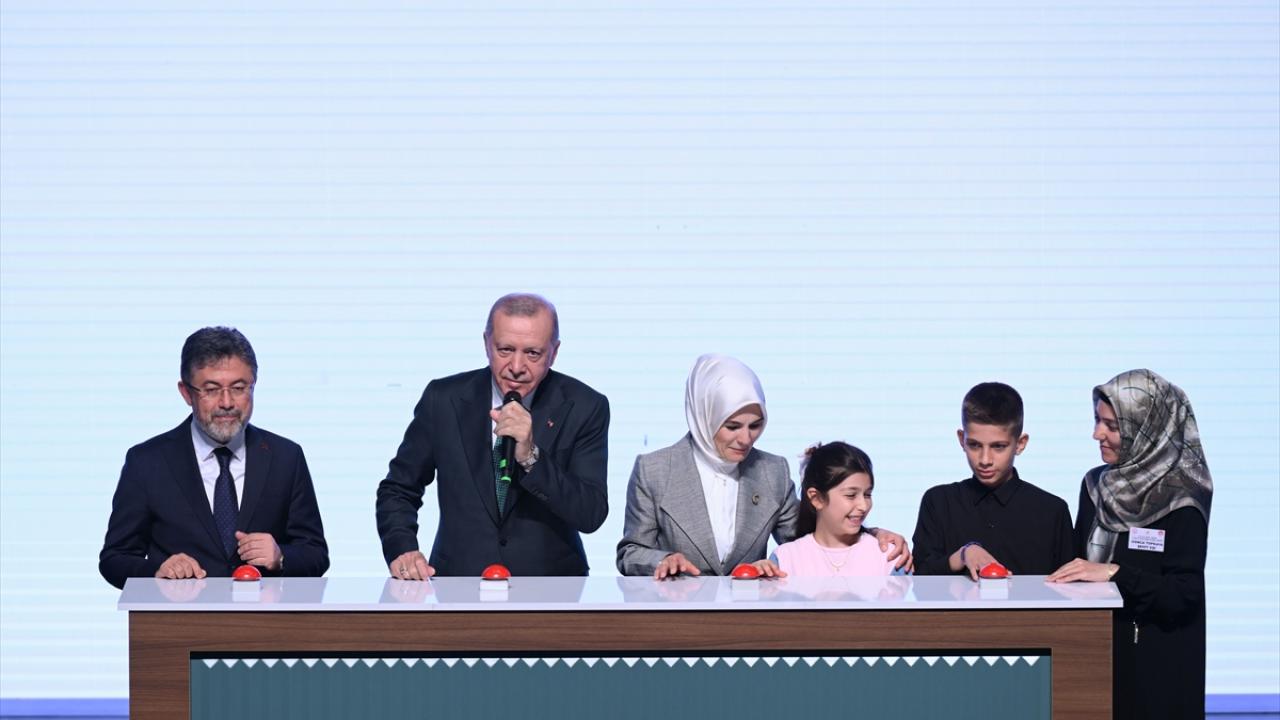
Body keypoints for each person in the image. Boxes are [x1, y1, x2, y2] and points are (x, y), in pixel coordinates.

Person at [377, 293, 609, 578]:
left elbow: (590, 513)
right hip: (458, 580)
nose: (516, 367)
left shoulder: (585, 406)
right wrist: (403, 549)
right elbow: (398, 489)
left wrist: (531, 457)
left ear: (554, 352)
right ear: (487, 343)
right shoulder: (443, 399)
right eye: (505, 350)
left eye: (533, 353)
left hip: (552, 585)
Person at [616, 354, 911, 579]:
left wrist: (871, 535)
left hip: (750, 618)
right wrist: (662, 560)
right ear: (703, 416)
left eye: (756, 425)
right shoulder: (654, 470)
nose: (746, 439)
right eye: (733, 426)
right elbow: (630, 552)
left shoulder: (772, 471)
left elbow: (808, 537)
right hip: (676, 616)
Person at [99, 327, 329, 589]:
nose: (227, 402)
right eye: (211, 389)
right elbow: (114, 559)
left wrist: (282, 557)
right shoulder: (147, 462)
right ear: (186, 393)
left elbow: (316, 554)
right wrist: (158, 571)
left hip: (264, 613)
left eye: (239, 388)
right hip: (180, 613)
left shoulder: (286, 457)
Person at [1048, 369, 1212, 720]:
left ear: (1147, 428)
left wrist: (1115, 573)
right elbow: (1077, 568)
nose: (1097, 434)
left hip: (1156, 670)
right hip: (1095, 657)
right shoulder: (1094, 486)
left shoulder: (1182, 500)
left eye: (1112, 426)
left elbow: (1183, 593)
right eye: (1097, 420)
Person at [912, 381, 1073, 579]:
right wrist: (962, 555)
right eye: (975, 445)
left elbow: (1070, 588)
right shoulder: (938, 502)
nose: (985, 460)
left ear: (1020, 444)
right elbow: (919, 579)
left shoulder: (1052, 511)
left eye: (998, 447)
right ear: (961, 439)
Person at [773, 442, 897, 576]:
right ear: (816, 498)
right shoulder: (785, 559)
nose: (864, 506)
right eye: (851, 495)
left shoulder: (889, 557)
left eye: (867, 495)